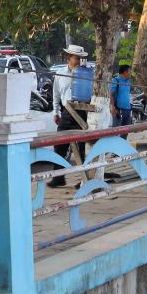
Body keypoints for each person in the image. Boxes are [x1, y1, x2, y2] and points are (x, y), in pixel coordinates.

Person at [48, 44, 95, 187]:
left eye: (81, 58)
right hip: (66, 112)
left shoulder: (87, 73)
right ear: (69, 58)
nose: (79, 61)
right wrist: (56, 112)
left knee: (83, 147)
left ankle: (84, 180)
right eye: (77, 58)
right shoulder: (60, 74)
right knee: (59, 145)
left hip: (83, 111)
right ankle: (58, 177)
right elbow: (56, 95)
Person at [110, 63, 134, 128]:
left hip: (127, 109)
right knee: (116, 129)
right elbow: (111, 94)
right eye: (130, 71)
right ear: (125, 72)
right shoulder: (115, 80)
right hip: (118, 109)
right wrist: (112, 106)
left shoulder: (128, 82)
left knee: (126, 130)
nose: (130, 73)